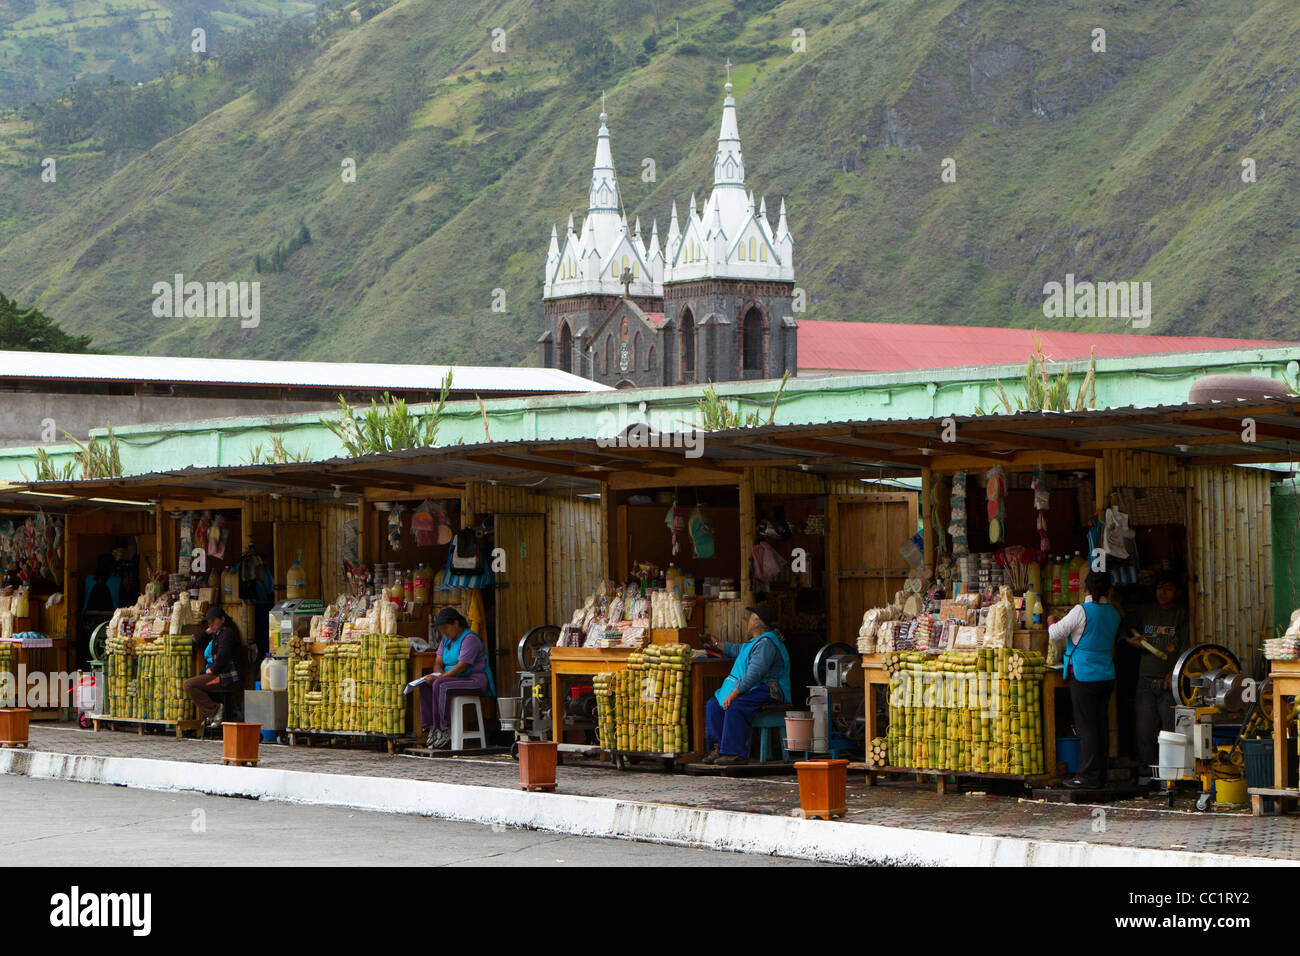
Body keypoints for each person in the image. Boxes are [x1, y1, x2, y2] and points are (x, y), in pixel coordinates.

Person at [1048, 572, 1122, 789]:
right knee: (1100, 725)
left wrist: (1051, 621)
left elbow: (1055, 633)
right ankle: (1100, 774)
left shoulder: (1081, 610)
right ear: (1109, 590)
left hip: (1084, 675)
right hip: (1106, 675)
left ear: (1085, 588)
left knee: (1087, 727)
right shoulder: (1114, 613)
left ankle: (1086, 776)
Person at [700, 604, 791, 767]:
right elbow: (738, 650)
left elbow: (753, 674)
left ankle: (734, 753)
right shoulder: (756, 642)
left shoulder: (767, 644)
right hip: (756, 688)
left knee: (735, 705)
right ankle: (719, 747)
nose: (747, 622)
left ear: (757, 622)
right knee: (713, 705)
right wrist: (716, 645)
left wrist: (734, 693)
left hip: (770, 690)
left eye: (750, 618)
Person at [1123, 572, 1190, 785]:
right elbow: (1122, 624)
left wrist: (1175, 672)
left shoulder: (1181, 614)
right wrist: (1129, 640)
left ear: (1178, 592)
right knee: (1145, 730)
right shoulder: (1147, 611)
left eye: (1168, 588)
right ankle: (1146, 774)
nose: (1163, 592)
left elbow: (1187, 646)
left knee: (1169, 730)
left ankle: (1168, 776)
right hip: (1145, 680)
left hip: (1169, 682)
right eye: (1160, 587)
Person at [420, 606, 496, 750]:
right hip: (451, 679)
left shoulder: (470, 638)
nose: (444, 632)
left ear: (456, 623)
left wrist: (440, 678)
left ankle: (444, 728)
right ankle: (431, 727)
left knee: (441, 685)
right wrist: (436, 675)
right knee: (425, 684)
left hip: (474, 681)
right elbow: (438, 661)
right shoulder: (446, 640)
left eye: (446, 628)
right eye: (441, 630)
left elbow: (462, 666)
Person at [183, 607, 244, 727]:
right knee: (195, 682)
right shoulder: (216, 633)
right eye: (209, 621)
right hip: (218, 675)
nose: (211, 624)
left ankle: (215, 710)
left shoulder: (227, 633)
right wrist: (207, 632)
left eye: (213, 621)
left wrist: (213, 669)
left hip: (225, 677)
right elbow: (197, 642)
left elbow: (223, 654)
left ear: (222, 619)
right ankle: (212, 713)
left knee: (189, 685)